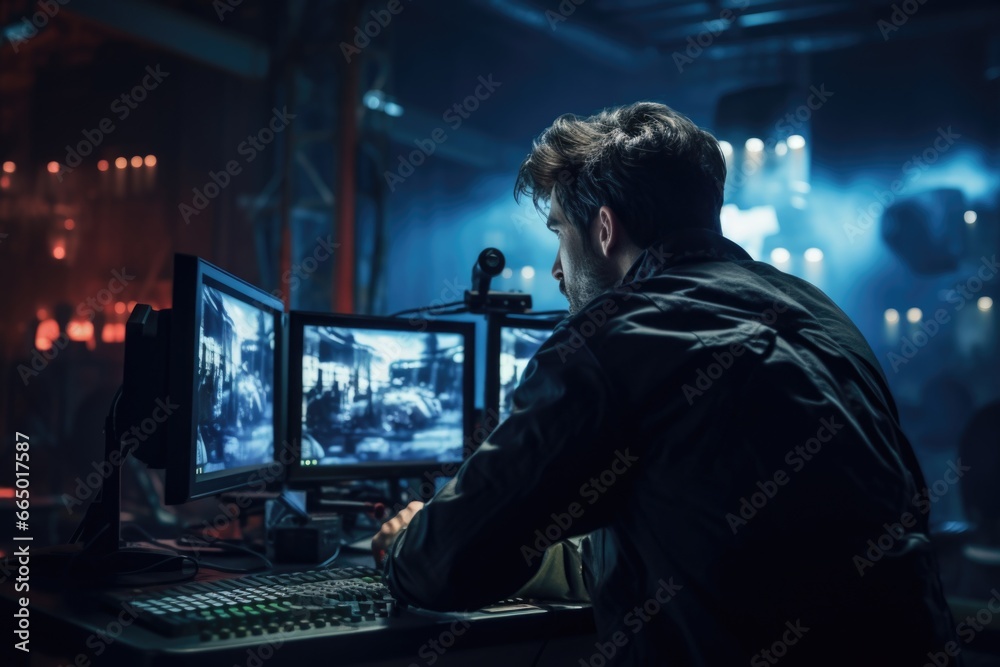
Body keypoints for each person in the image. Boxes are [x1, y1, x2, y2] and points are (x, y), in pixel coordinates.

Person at [372, 102, 960, 665]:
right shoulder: (821, 315)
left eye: (559, 234)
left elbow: (443, 565)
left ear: (604, 229)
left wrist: (407, 544)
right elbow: (697, 530)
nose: (556, 268)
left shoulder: (609, 340)